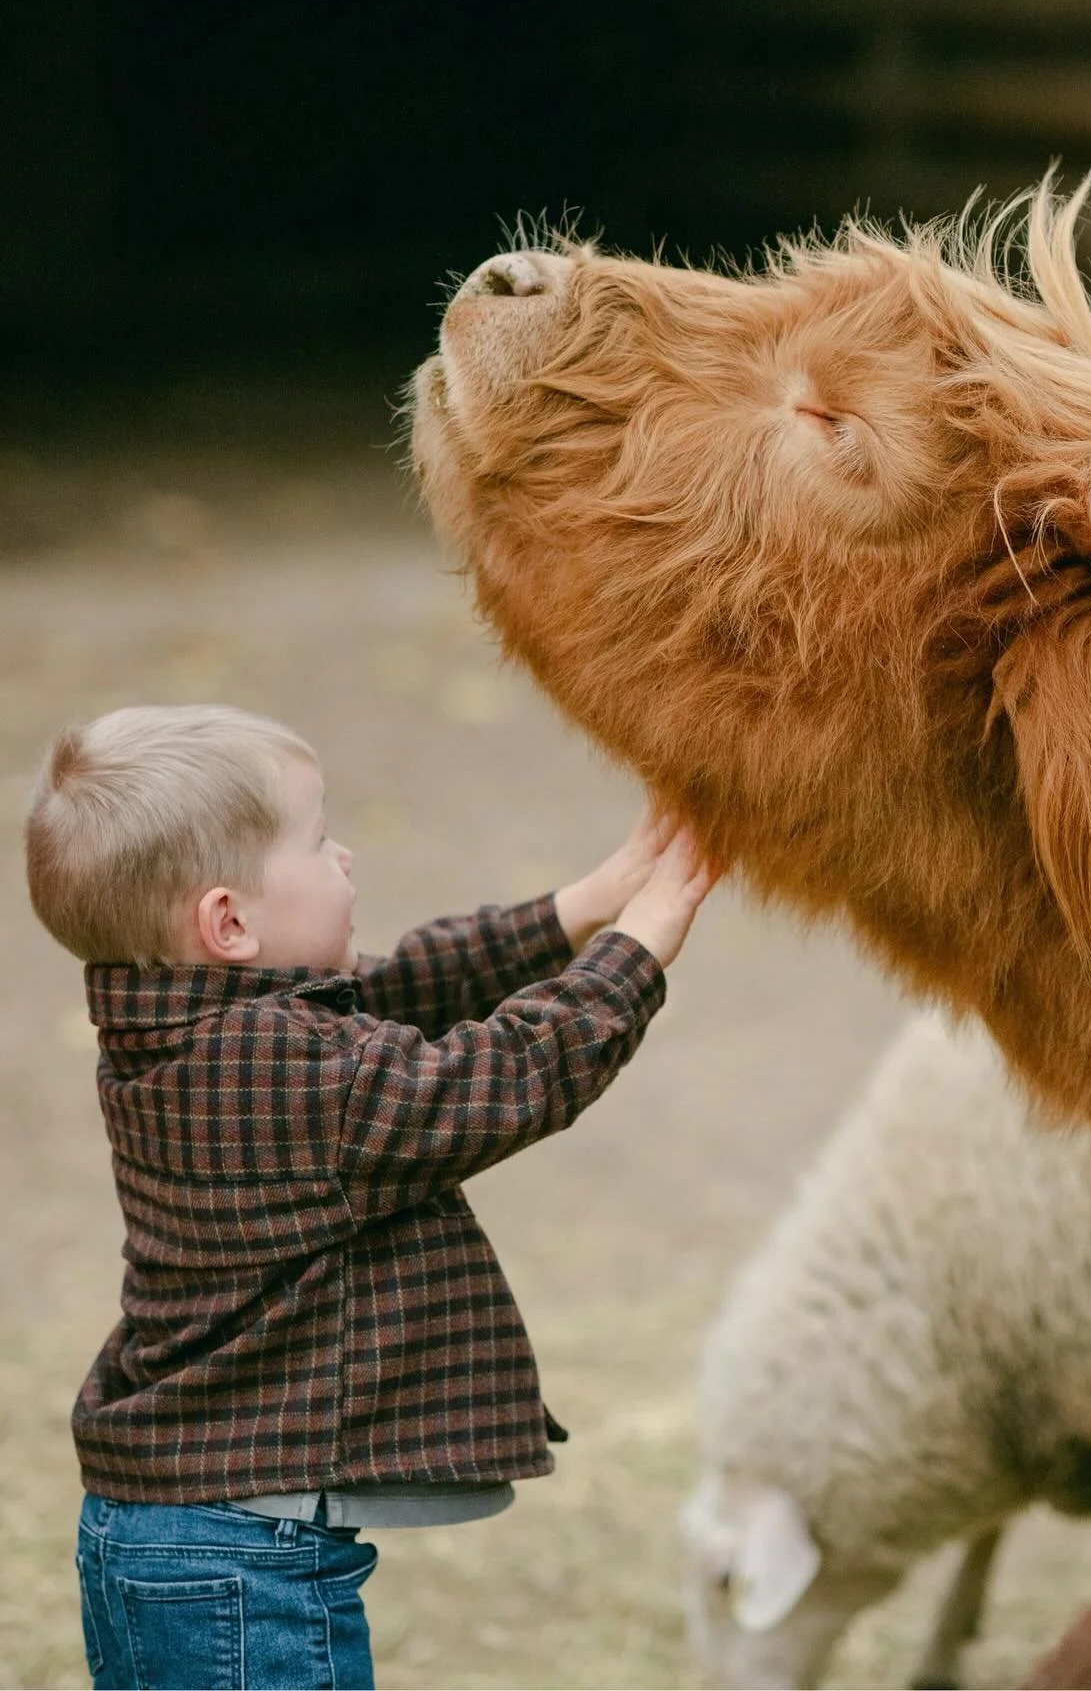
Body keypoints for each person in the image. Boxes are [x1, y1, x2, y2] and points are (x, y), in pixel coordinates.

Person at [24, 702, 719, 1691]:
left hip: (191, 1540)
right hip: (235, 1569)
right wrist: (636, 951)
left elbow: (403, 991)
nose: (345, 858)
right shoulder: (268, 1069)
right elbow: (498, 1079)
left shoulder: (190, 1032)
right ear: (229, 921)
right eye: (316, 842)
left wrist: (583, 906)